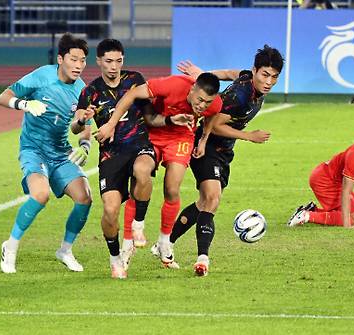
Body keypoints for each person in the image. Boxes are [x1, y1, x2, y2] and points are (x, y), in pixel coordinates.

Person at [169, 45, 284, 276]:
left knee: (204, 202)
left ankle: (165, 244)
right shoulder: (240, 96)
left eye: (274, 77)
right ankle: (202, 259)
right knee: (212, 198)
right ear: (254, 71)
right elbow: (216, 122)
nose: (269, 81)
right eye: (264, 75)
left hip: (223, 151)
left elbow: (232, 73)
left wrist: (204, 75)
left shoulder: (248, 81)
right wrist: (248, 136)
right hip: (208, 144)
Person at [95, 72, 223, 269]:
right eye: (199, 100)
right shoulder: (172, 85)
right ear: (192, 89)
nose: (202, 106)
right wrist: (111, 124)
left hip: (181, 137)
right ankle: (128, 243)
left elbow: (212, 115)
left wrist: (204, 139)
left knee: (172, 189)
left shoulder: (214, 104)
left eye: (207, 102)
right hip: (153, 133)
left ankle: (165, 242)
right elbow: (131, 95)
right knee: (139, 178)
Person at [0, 33, 92, 274]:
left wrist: (84, 144)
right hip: (34, 149)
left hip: (60, 151)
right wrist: (24, 104)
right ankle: (11, 247)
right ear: (61, 59)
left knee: (84, 197)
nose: (79, 65)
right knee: (40, 195)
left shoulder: (82, 89)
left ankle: (65, 250)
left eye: (83, 60)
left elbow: (81, 124)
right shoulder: (42, 76)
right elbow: (3, 96)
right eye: (74, 59)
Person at [74, 39, 159, 279]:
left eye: (118, 61)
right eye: (109, 61)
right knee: (110, 211)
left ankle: (138, 226)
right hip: (111, 154)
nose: (114, 66)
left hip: (140, 145)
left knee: (143, 171)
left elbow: (153, 110)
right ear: (99, 61)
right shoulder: (89, 92)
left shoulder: (135, 79)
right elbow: (76, 127)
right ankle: (115, 260)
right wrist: (83, 120)